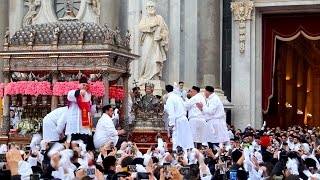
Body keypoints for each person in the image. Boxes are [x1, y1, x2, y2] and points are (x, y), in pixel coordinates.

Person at [137, 1, 169, 85]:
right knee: (146, 59)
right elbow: (140, 27)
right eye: (149, 6)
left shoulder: (159, 18)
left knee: (155, 60)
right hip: (147, 40)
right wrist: (152, 26)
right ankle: (146, 76)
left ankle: (155, 75)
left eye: (152, 6)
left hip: (156, 42)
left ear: (155, 8)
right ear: (146, 8)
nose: (151, 8)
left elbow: (165, 31)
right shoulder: (144, 18)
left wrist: (161, 36)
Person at [65, 76, 93, 149]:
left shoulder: (88, 95)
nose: (85, 87)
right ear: (79, 85)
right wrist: (79, 92)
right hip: (74, 123)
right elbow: (70, 96)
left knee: (83, 145)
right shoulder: (72, 92)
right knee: (73, 145)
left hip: (84, 124)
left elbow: (90, 111)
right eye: (83, 85)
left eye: (86, 85)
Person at [164, 84, 194, 151]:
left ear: (166, 92)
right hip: (184, 119)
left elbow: (171, 114)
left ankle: (178, 155)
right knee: (185, 140)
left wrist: (171, 125)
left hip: (178, 121)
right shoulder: (178, 97)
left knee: (177, 141)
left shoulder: (170, 99)